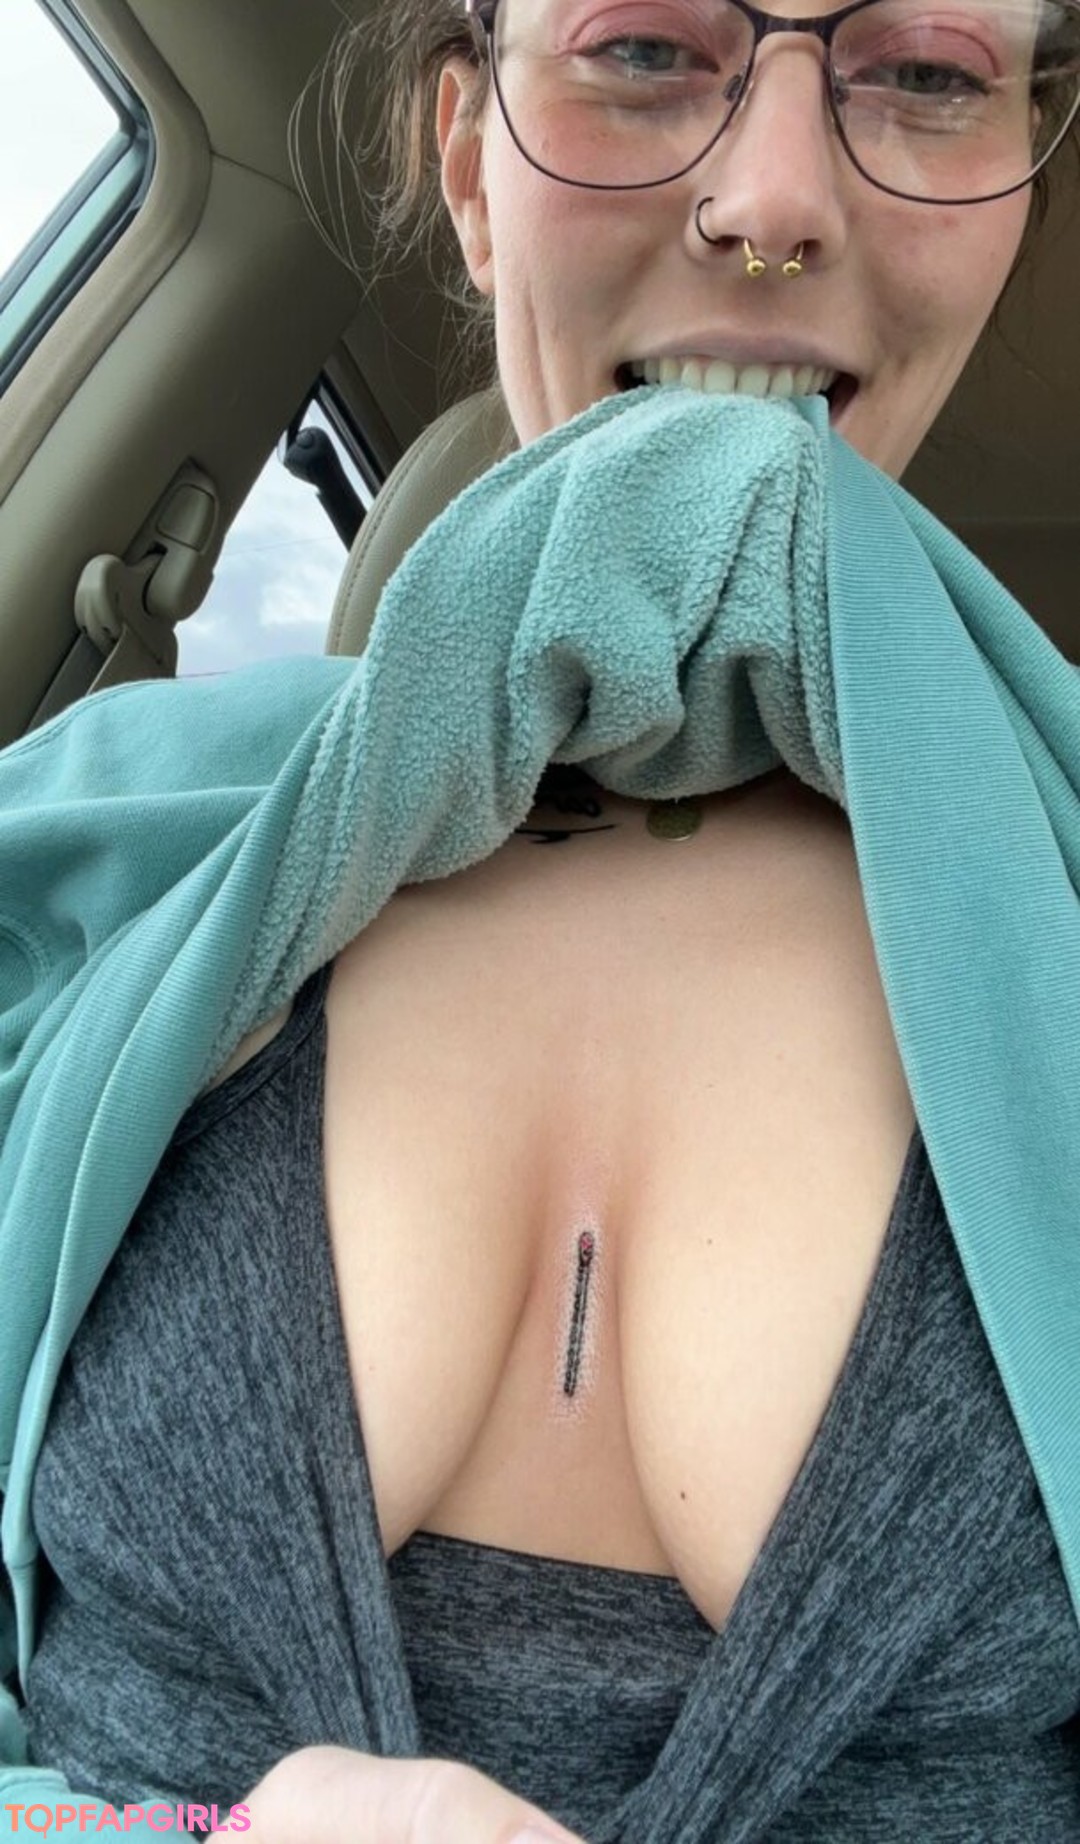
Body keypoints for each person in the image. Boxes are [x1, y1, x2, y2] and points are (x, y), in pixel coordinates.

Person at [5, 0, 1080, 1838]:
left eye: (927, 72)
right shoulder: (73, 854)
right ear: (466, 167)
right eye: (644, 47)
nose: (775, 200)